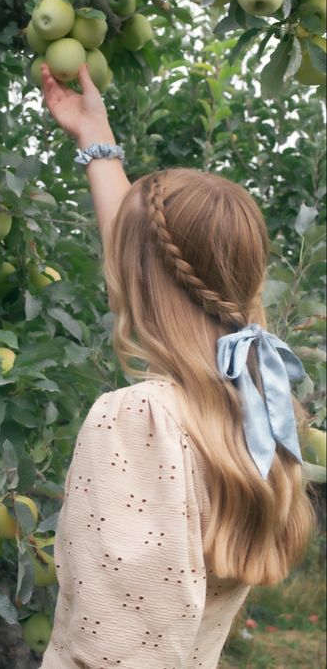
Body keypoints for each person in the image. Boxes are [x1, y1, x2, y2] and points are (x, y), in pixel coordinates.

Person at [37, 63, 316, 668]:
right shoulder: (253, 404)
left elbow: (114, 651)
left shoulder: (138, 422)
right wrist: (96, 139)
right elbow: (158, 272)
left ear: (132, 282)